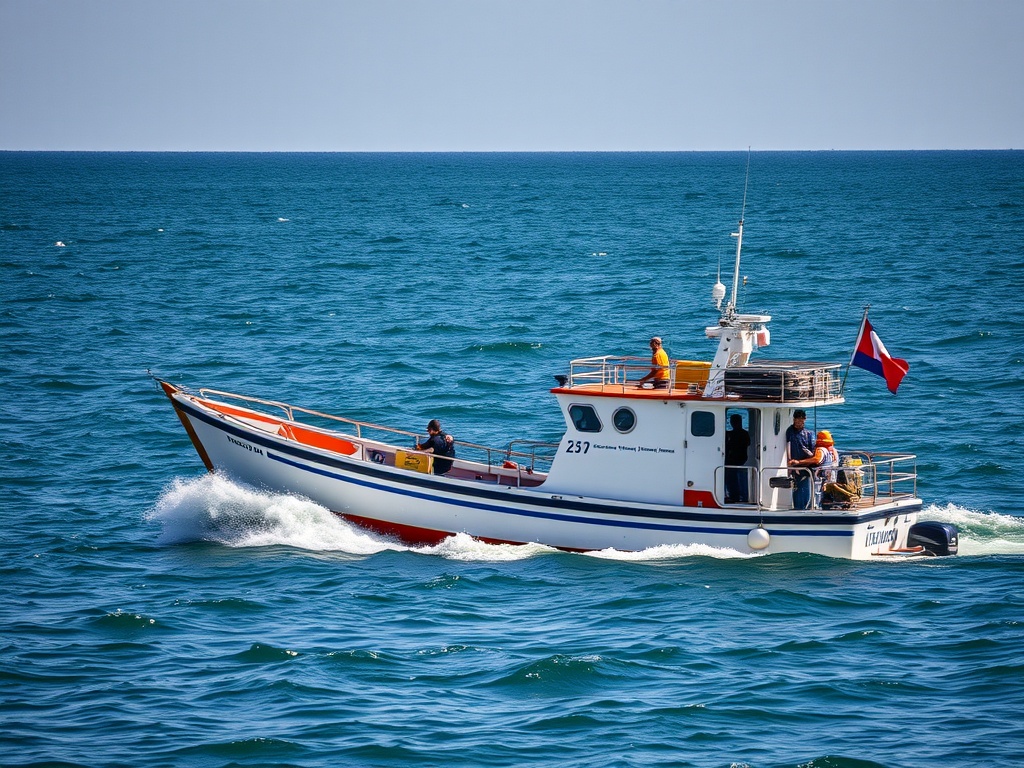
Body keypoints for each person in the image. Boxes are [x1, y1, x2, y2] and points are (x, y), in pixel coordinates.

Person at [788, 429, 839, 509]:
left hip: (820, 478)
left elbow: (817, 459)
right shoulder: (833, 450)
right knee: (826, 494)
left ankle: (815, 507)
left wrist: (799, 462)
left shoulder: (821, 449)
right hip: (830, 477)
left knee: (816, 494)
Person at [785, 409, 815, 509]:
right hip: (795, 464)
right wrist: (789, 461)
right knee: (797, 486)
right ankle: (798, 507)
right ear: (793, 419)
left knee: (806, 486)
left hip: (806, 464)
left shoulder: (809, 434)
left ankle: (806, 507)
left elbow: (812, 451)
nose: (799, 423)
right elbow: (788, 445)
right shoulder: (790, 431)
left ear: (805, 420)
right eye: (797, 420)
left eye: (801, 420)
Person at [725, 413, 751, 503]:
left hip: (736, 459)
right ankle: (737, 496)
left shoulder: (736, 434)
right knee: (734, 478)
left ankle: (735, 496)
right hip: (741, 458)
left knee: (732, 478)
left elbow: (731, 445)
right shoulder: (744, 433)